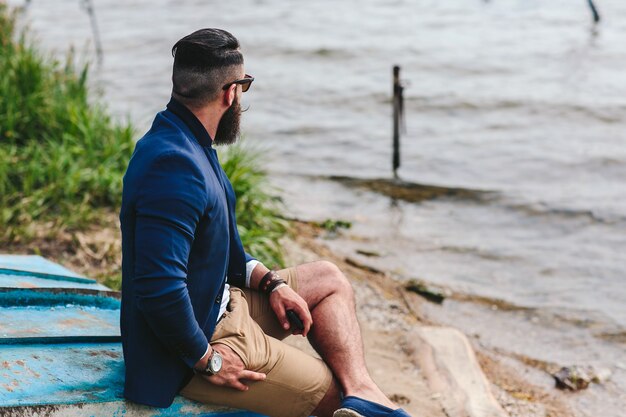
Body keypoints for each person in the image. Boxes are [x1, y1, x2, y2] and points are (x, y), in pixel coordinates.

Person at [119, 28, 411, 417]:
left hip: (221, 303)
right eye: (245, 86)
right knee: (332, 399)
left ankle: (363, 391)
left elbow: (223, 250)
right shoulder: (172, 166)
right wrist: (208, 361)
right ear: (230, 92)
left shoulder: (188, 140)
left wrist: (272, 282)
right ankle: (354, 400)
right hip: (195, 345)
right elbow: (158, 288)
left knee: (328, 279)